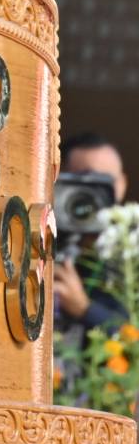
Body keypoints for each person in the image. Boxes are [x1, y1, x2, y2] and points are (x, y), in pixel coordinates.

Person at [54, 132, 129, 335]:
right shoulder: (40, 233)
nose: (94, 194)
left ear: (122, 184)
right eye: (84, 180)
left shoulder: (132, 251)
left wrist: (84, 308)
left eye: (105, 181)